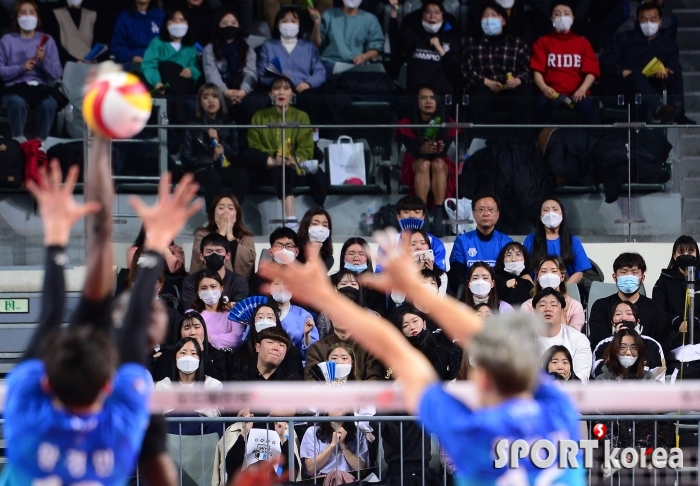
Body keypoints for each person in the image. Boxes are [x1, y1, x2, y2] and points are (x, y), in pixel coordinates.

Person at [258, 229, 585, 485]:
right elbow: (487, 341)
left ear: (482, 372)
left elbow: (396, 350)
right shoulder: (558, 409)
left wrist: (326, 297)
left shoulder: (470, 429)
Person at [1, 124, 201, 485]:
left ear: (46, 384)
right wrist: (155, 244)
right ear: (108, 387)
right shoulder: (122, 422)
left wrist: (57, 237)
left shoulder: (26, 414)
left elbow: (53, 309)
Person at [244, 76, 326, 229]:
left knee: (288, 172)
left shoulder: (301, 116)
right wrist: (275, 156)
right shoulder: (259, 117)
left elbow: (306, 146)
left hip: (294, 167)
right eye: (276, 88)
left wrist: (294, 159)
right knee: (270, 166)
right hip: (269, 166)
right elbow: (254, 145)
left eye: (286, 88)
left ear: (292, 94)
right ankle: (291, 220)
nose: (281, 91)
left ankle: (307, 219)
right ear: (270, 94)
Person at [599, 2, 693, 124]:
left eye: (653, 19)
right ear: (638, 20)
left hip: (650, 85)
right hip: (622, 86)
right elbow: (606, 60)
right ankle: (661, 109)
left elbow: (671, 72)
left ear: (660, 21)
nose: (649, 23)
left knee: (677, 68)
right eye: (644, 19)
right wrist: (621, 71)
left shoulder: (668, 45)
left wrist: (665, 73)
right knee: (635, 75)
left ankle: (678, 112)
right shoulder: (624, 38)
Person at [396, 87, 456, 235]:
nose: (428, 101)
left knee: (438, 164)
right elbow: (412, 150)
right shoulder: (406, 123)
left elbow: (444, 151)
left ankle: (438, 213)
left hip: (440, 162)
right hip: (415, 162)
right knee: (424, 164)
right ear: (417, 103)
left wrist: (439, 148)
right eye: (423, 98)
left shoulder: (448, 122)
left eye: (432, 97)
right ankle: (421, 212)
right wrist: (422, 150)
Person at [0, 1, 63, 141]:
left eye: (31, 12)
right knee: (17, 103)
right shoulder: (7, 40)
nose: (28, 16)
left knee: (49, 104)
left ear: (37, 17)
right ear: (16, 17)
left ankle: (42, 142)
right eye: (23, 12)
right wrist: (21, 68)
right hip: (15, 88)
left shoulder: (47, 41)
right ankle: (18, 139)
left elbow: (57, 73)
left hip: (40, 88)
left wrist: (44, 60)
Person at [181, 83, 250, 209]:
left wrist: (221, 143)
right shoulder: (193, 126)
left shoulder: (229, 124)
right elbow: (186, 158)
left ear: (220, 100)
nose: (210, 100)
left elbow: (236, 154)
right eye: (205, 97)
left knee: (242, 175)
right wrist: (211, 159)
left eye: (214, 96)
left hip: (224, 169)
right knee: (213, 177)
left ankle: (231, 213)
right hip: (202, 170)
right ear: (200, 102)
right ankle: (213, 219)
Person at [587, 252, 670, 358]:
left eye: (634, 273)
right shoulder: (600, 306)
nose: (629, 277)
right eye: (624, 272)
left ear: (642, 278)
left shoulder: (655, 309)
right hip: (610, 367)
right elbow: (597, 341)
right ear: (614, 277)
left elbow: (663, 344)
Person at [462, 2, 532, 125]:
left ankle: (521, 139)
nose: (489, 19)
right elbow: (466, 70)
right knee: (477, 95)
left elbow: (528, 69)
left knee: (524, 95)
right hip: (483, 86)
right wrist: (487, 82)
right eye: (486, 16)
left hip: (511, 88)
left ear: (504, 21)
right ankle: (477, 137)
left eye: (494, 15)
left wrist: (517, 80)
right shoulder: (471, 42)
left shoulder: (516, 43)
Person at [530, 2, 599, 124]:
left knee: (589, 110)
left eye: (566, 14)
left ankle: (591, 141)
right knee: (540, 108)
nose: (562, 17)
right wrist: (544, 88)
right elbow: (537, 72)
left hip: (578, 93)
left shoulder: (583, 43)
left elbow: (591, 72)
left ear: (573, 18)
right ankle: (539, 141)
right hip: (550, 94)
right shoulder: (543, 42)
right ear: (551, 18)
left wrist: (582, 89)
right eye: (557, 14)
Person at [305, 291, 384, 380]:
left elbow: (374, 379)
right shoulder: (317, 349)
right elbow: (311, 382)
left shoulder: (368, 347)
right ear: (329, 316)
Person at [389, 0, 462, 95]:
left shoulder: (451, 41)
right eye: (428, 12)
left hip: (441, 94)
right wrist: (394, 10)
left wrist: (440, 49)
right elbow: (395, 39)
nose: (432, 16)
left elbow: (455, 72)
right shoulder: (413, 37)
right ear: (422, 16)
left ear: (443, 17)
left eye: (437, 12)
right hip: (416, 93)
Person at [448, 193, 513, 295]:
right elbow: (456, 273)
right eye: (481, 210)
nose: (486, 214)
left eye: (490, 210)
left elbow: (508, 274)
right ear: (473, 213)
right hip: (469, 292)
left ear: (497, 214)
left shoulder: (506, 242)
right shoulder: (462, 241)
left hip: (498, 292)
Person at [155, 337, 223, 434]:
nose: (188, 357)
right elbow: (161, 417)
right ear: (175, 358)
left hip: (204, 438)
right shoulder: (162, 386)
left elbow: (215, 416)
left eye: (194, 353)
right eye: (183, 353)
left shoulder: (213, 385)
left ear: (200, 359)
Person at [258, 6, 326, 94]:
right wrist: (276, 80)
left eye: (294, 21)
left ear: (299, 24)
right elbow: (260, 73)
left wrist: (309, 83)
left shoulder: (309, 47)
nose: (289, 24)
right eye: (284, 21)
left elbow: (320, 72)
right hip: (278, 92)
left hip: (304, 92)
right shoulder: (268, 46)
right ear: (278, 25)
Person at [202, 10, 257, 118]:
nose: (229, 26)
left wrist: (243, 91)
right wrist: (225, 92)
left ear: (239, 26)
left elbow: (251, 73)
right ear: (218, 27)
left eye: (233, 23)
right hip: (219, 89)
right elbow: (211, 74)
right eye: (224, 23)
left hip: (242, 90)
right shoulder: (209, 49)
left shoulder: (247, 49)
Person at [523, 198, 591, 284]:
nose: (550, 213)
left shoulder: (572, 240)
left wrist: (564, 289)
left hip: (566, 291)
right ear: (540, 216)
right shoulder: (530, 240)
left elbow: (579, 272)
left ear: (562, 214)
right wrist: (533, 289)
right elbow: (524, 271)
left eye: (555, 209)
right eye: (546, 210)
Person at [228, 302, 304, 378]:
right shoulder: (240, 353)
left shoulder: (292, 353)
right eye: (260, 317)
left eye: (270, 317)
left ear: (277, 321)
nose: (265, 320)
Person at [310, 0, 384, 78]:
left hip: (356, 66)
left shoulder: (370, 19)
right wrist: (317, 24)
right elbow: (316, 44)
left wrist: (364, 57)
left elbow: (375, 48)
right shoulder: (329, 14)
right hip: (330, 63)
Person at [189, 194, 256, 279]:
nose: (226, 212)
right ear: (213, 213)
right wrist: (221, 233)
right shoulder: (202, 233)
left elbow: (248, 260)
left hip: (237, 287)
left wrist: (230, 235)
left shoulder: (246, 236)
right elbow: (199, 255)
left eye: (231, 208)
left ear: (237, 214)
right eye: (221, 208)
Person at [591, 300, 665, 378]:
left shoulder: (652, 345)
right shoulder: (603, 345)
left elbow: (658, 380)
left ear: (637, 321)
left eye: (629, 313)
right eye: (618, 314)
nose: (624, 318)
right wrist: (617, 341)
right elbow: (598, 376)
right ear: (612, 322)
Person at [533, 287, 591, 382]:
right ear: (535, 312)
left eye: (554, 305)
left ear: (562, 312)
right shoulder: (523, 341)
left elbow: (581, 381)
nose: (548, 309)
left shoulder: (579, 340)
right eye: (542, 305)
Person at [652, 235, 700, 352]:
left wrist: (695, 322)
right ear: (674, 255)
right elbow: (658, 310)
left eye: (690, 251)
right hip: (673, 333)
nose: (686, 255)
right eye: (681, 252)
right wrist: (677, 322)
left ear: (697, 254)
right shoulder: (664, 281)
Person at [152, 310, 228, 381]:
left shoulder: (217, 355)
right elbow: (161, 381)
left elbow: (221, 382)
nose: (192, 333)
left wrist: (201, 354)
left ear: (204, 330)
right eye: (187, 328)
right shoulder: (168, 355)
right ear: (180, 332)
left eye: (197, 327)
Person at [142, 8, 201, 96]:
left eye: (182, 20)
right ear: (166, 24)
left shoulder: (191, 47)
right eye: (173, 20)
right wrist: (157, 82)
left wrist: (190, 71)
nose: (178, 23)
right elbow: (149, 65)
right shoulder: (157, 43)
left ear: (188, 24)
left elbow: (196, 67)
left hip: (183, 89)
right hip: (161, 87)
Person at [182, 233, 249, 309]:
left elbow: (240, 310)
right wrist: (226, 306)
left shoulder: (239, 282)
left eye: (219, 251)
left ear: (227, 255)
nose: (214, 255)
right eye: (209, 251)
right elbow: (191, 310)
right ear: (201, 256)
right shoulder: (191, 281)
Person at [520, 256, 585, 331]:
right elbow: (528, 334)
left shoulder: (575, 306)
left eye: (554, 271)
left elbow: (575, 335)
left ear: (562, 277)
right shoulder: (527, 306)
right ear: (538, 277)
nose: (548, 275)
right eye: (544, 271)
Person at [392, 305, 455, 380]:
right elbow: (388, 375)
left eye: (415, 321)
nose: (412, 327)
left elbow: (436, 379)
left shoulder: (439, 351)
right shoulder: (398, 353)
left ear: (424, 324)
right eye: (405, 325)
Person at [300, 409, 368, 477]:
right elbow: (311, 468)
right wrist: (332, 445)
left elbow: (361, 468)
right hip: (323, 480)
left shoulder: (358, 433)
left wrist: (343, 445)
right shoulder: (312, 432)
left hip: (350, 479)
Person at [190, 269, 245, 349]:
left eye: (213, 286)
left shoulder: (233, 313)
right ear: (198, 292)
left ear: (221, 288)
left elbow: (237, 338)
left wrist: (208, 339)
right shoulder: (191, 314)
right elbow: (190, 339)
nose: (209, 291)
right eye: (204, 288)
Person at [269, 278, 319, 359]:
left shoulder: (303, 315)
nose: (281, 288)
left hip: (293, 364)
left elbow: (311, 354)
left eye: (286, 284)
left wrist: (307, 335)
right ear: (269, 289)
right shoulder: (262, 312)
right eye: (276, 283)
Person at [231, 326, 304, 381]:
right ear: (257, 347)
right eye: (270, 342)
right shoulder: (240, 381)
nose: (276, 348)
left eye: (281, 345)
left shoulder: (293, 381)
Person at [110, 0, 165, 71]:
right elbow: (117, 46)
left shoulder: (162, 16)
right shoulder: (124, 18)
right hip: (132, 63)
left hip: (157, 62)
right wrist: (132, 57)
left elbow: (169, 43)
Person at [395, 195, 447, 268]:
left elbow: (442, 276)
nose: (412, 216)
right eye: (406, 212)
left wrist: (432, 272)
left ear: (423, 217)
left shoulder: (435, 243)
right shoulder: (388, 243)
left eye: (417, 212)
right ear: (398, 216)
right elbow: (379, 274)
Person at [43, 0, 98, 65]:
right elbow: (55, 45)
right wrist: (74, 61)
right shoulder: (55, 14)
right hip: (66, 65)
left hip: (91, 65)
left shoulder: (92, 15)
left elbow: (98, 42)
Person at [494, 241, 534, 308]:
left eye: (518, 255)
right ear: (502, 260)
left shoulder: (527, 282)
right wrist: (505, 287)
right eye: (509, 255)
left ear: (525, 259)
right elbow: (492, 300)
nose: (513, 259)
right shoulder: (495, 278)